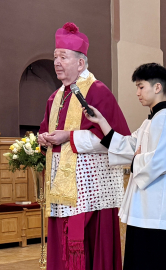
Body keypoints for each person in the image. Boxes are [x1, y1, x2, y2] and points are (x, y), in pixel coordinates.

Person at [37, 22, 130, 270]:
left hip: (92, 188)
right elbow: (47, 129)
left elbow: (113, 140)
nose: (56, 62)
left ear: (80, 63)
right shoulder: (56, 96)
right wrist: (44, 139)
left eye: (63, 57)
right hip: (63, 188)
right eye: (55, 56)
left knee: (88, 247)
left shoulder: (98, 92)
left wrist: (69, 136)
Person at [83, 63, 166, 270]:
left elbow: (163, 160)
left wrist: (136, 160)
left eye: (141, 87)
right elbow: (128, 145)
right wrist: (101, 122)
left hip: (159, 211)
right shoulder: (150, 121)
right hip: (146, 207)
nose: (137, 93)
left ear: (157, 87)